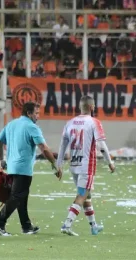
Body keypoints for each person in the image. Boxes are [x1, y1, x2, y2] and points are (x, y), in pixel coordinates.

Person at [0, 102, 62, 236]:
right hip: (23, 168)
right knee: (17, 196)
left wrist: (1, 160)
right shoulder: (31, 127)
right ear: (29, 113)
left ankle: (26, 226)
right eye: (36, 113)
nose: (38, 116)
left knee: (21, 197)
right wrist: (54, 164)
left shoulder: (11, 124)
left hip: (11, 167)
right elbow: (43, 148)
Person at [56, 96, 115, 236]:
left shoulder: (70, 123)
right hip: (86, 165)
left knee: (87, 195)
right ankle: (67, 224)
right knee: (82, 194)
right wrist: (110, 162)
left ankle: (93, 226)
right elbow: (101, 145)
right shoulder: (94, 122)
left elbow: (63, 145)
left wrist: (59, 165)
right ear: (92, 107)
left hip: (74, 164)